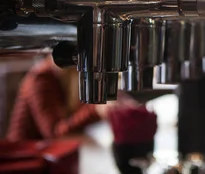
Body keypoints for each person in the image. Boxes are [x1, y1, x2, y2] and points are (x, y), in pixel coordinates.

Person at [6, 54, 134, 141]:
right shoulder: (40, 80)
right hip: (27, 165)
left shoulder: (71, 77)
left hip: (56, 161)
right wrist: (95, 111)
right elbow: (54, 134)